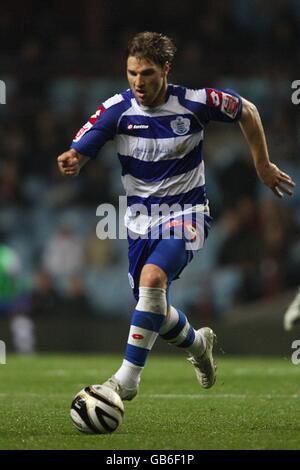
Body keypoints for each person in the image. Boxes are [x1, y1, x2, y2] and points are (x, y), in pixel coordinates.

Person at [57, 32, 295, 401]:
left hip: (188, 213)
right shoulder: (117, 109)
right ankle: (199, 345)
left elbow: (247, 110)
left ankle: (125, 381)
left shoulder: (195, 103)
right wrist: (74, 158)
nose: (138, 82)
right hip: (138, 223)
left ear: (166, 70)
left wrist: (262, 165)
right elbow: (81, 146)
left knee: (153, 281)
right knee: (152, 306)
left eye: (147, 73)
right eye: (132, 72)